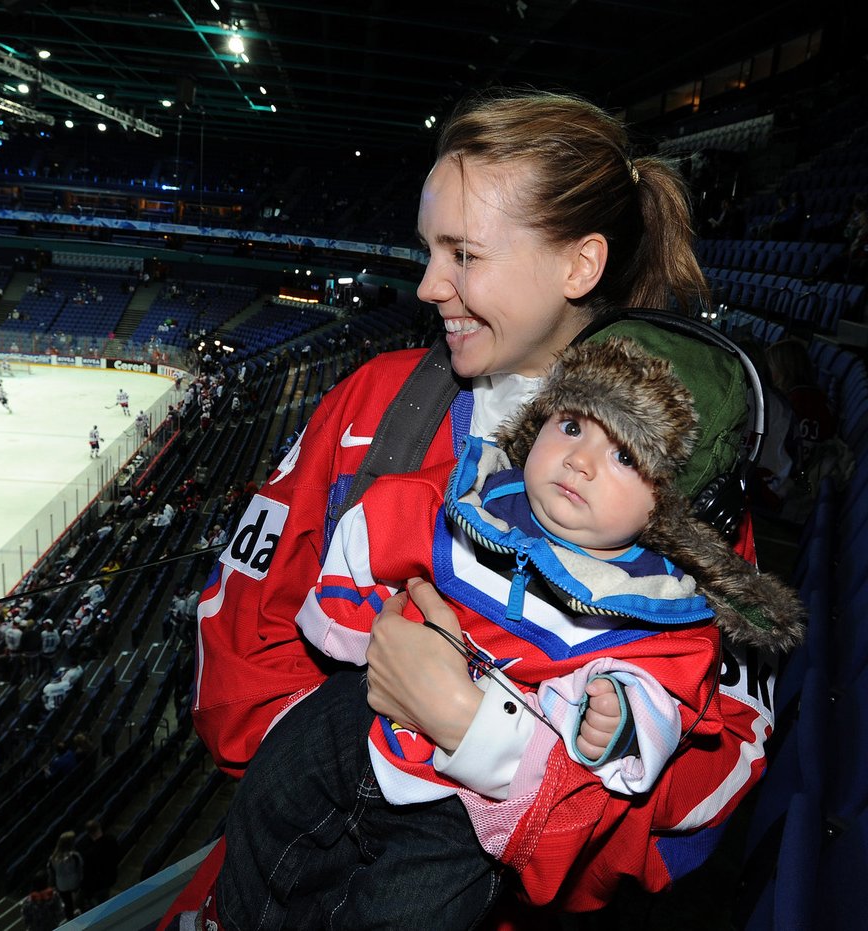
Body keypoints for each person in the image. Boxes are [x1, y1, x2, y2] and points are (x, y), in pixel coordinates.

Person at [186, 89, 795, 927]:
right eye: (429, 249)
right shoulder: (372, 402)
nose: (431, 283)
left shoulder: (685, 480)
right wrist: (356, 752)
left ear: (580, 265)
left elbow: (702, 798)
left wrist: (483, 739)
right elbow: (236, 638)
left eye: (464, 253)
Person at [241, 337, 804, 924]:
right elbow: (380, 527)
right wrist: (351, 624)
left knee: (407, 912)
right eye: (570, 425)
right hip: (359, 717)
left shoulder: (662, 610)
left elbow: (668, 700)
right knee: (268, 800)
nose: (580, 460)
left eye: (626, 456)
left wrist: (620, 723)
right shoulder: (476, 494)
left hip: (462, 816)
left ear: (680, 509)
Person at [79, 819, 120, 909]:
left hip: (98, 885)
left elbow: (88, 873)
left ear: (88, 833)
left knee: (102, 905)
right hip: (111, 876)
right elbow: (117, 856)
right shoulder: (111, 840)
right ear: (99, 827)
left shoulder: (89, 852)